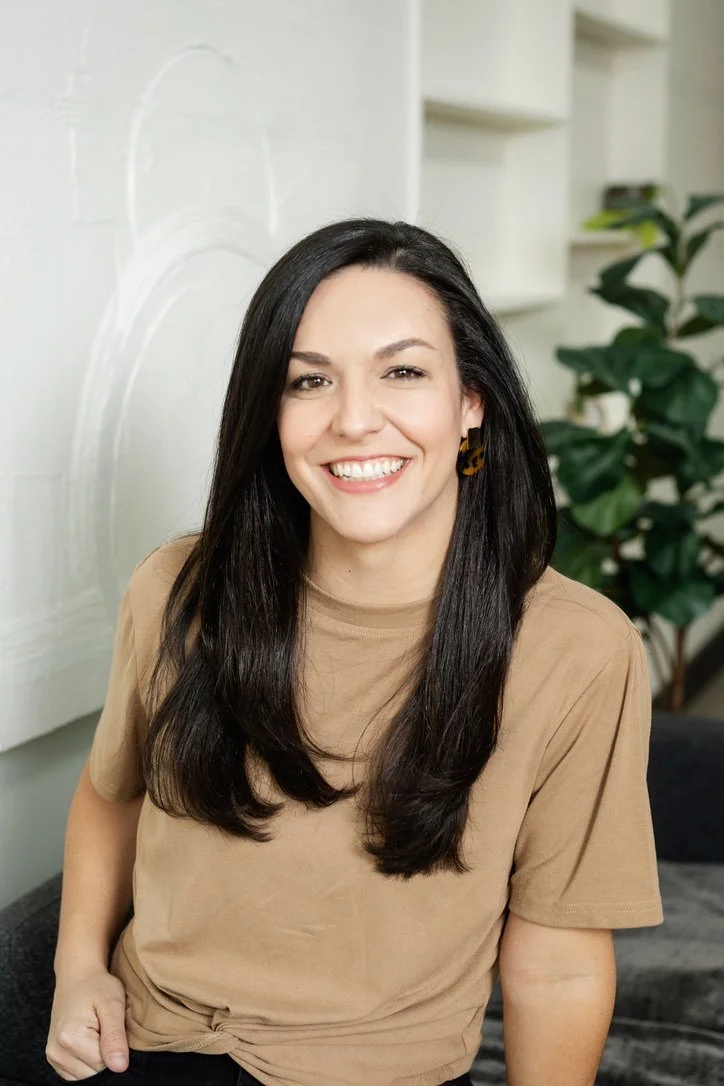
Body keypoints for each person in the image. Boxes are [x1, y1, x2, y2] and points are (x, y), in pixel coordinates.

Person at [47, 218, 663, 1086]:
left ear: (471, 402)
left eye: (403, 372)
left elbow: (557, 962)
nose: (355, 419)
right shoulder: (178, 588)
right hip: (148, 1048)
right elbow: (110, 796)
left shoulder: (577, 648)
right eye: (310, 381)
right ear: (271, 411)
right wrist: (78, 973)